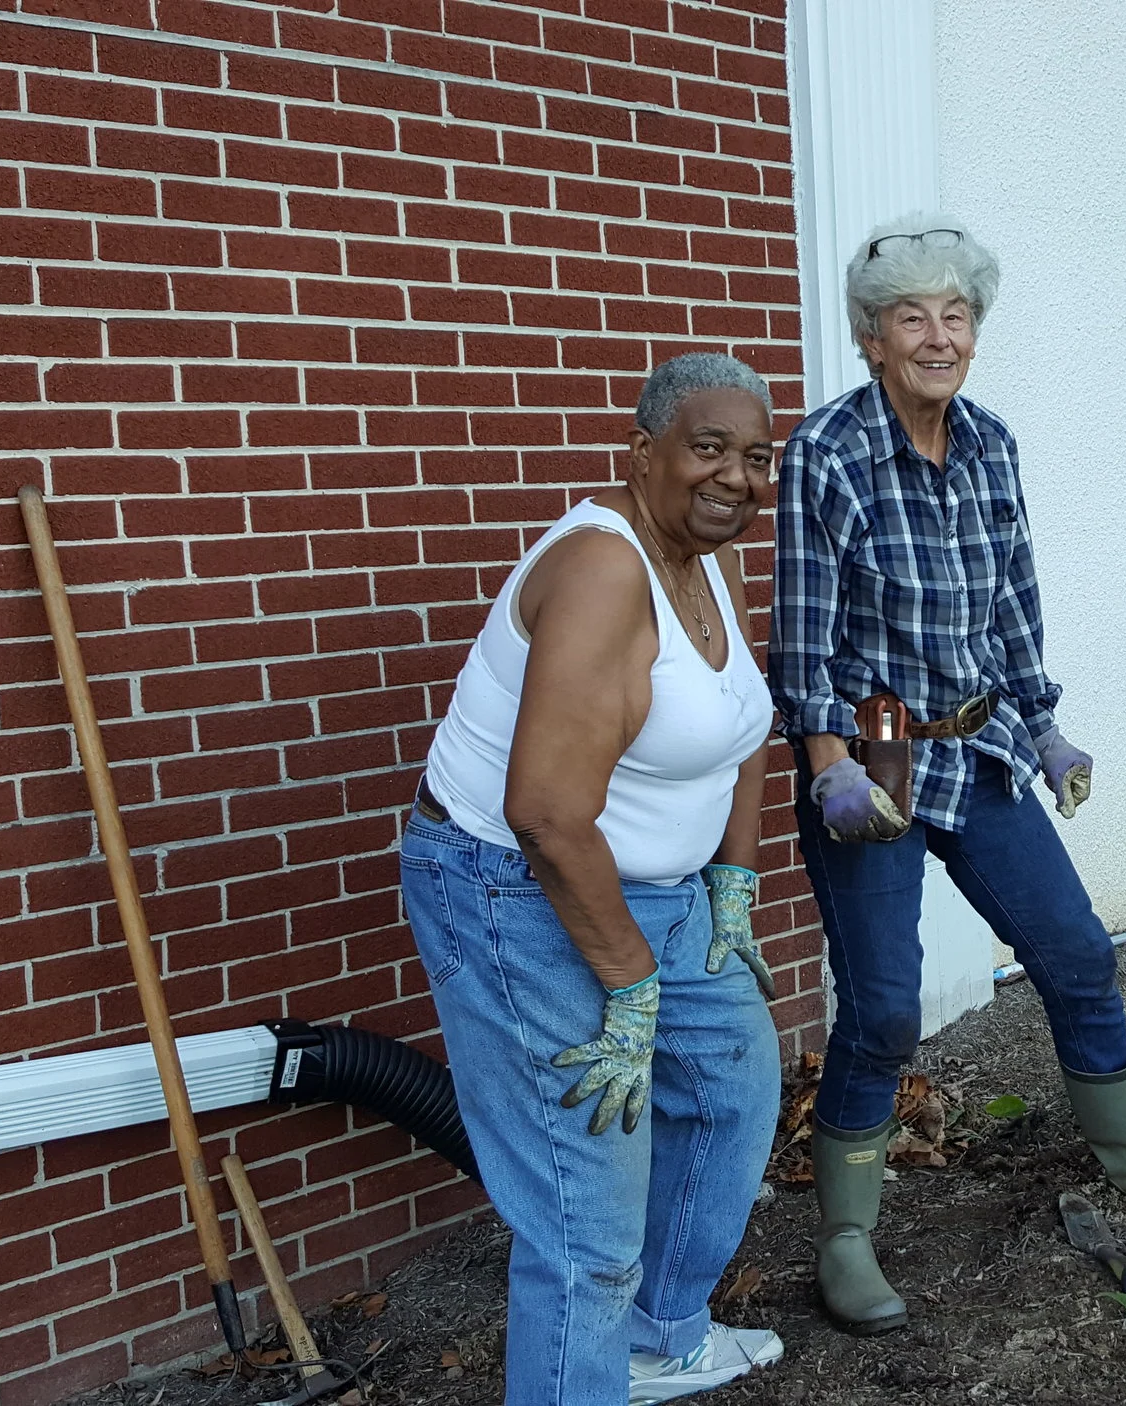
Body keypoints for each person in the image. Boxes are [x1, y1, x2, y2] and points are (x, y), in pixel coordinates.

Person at [770, 217, 1126, 1337]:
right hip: (876, 759)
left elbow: (1011, 605)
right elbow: (802, 631)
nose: (938, 336)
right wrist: (827, 760)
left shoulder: (990, 444)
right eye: (912, 317)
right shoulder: (827, 453)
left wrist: (1045, 729)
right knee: (885, 1007)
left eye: (957, 315)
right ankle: (845, 1235)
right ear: (871, 337)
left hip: (979, 747)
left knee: (1077, 953)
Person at [401, 353, 786, 1404]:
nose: (737, 478)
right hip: (512, 891)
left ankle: (658, 1341)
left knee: (732, 1090)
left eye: (758, 458)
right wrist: (630, 984)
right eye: (709, 449)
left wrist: (734, 879)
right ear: (641, 452)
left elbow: (741, 723)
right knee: (586, 1216)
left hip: (652, 888)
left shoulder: (710, 557)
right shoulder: (602, 571)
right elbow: (543, 812)